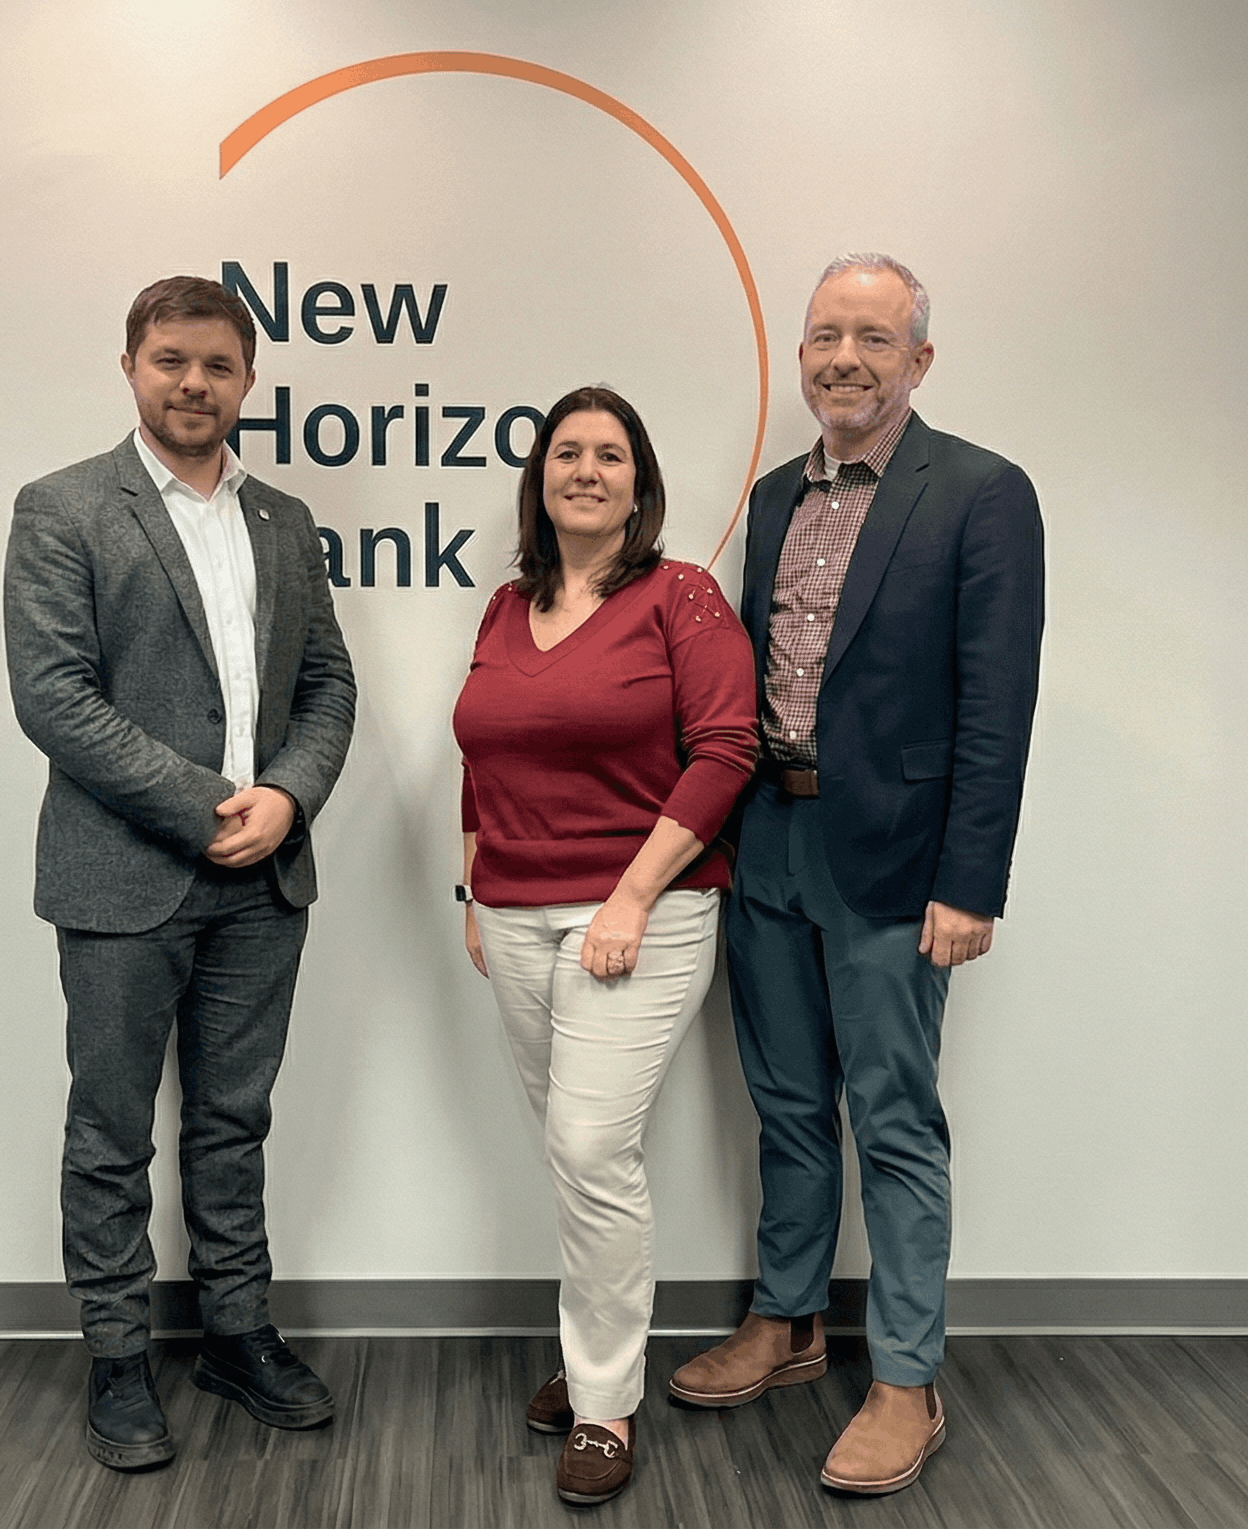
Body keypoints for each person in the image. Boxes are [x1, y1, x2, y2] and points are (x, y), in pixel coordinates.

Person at [667, 254, 1045, 1497]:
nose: (844, 358)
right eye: (825, 335)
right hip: (768, 841)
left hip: (893, 862)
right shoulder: (774, 495)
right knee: (784, 1103)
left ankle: (904, 1375)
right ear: (800, 354)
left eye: (873, 339)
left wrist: (970, 881)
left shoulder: (981, 494)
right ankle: (786, 1319)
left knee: (891, 1116)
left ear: (917, 359)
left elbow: (996, 706)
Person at [3, 275, 356, 1471]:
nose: (193, 383)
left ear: (248, 378)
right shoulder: (62, 508)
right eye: (170, 360)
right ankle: (116, 1352)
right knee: (110, 1127)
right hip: (120, 875)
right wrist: (207, 806)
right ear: (130, 367)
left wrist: (287, 795)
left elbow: (327, 684)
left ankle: (234, 1330)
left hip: (263, 879)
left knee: (232, 1119)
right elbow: (54, 697)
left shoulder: (284, 521)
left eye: (216, 364)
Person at [454, 386, 758, 1507]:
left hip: (643, 913)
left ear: (640, 485)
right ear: (538, 479)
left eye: (610, 455)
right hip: (513, 913)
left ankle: (604, 1405)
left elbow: (726, 751)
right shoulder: (505, 605)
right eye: (566, 452)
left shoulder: (680, 597)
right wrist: (472, 887)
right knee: (567, 1151)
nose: (585, 469)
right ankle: (596, 1358)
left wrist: (630, 896)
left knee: (590, 1147)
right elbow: (480, 753)